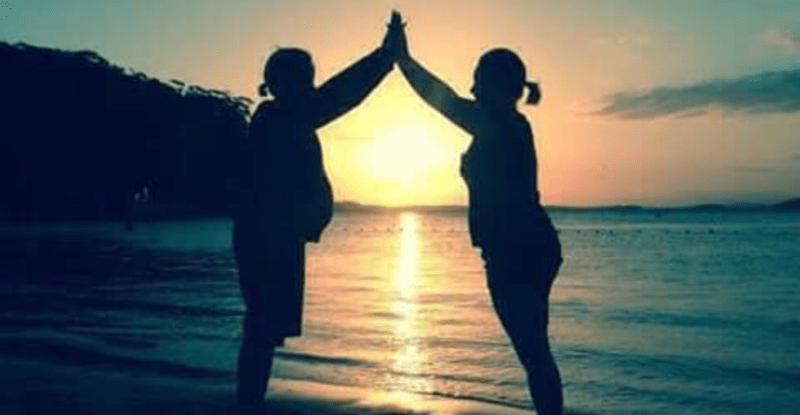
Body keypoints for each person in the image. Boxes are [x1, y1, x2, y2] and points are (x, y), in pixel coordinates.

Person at [388, 12, 564, 415]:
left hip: (517, 251)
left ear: (501, 87)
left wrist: (404, 61)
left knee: (534, 352)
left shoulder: (501, 124)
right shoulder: (505, 124)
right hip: (526, 246)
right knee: (535, 350)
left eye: (479, 79)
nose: (472, 87)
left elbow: (443, 99)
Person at [232, 16, 399, 413]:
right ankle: (248, 406)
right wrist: (384, 57)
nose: (309, 85)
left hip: (277, 237)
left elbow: (332, 96)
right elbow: (340, 96)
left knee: (265, 329)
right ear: (280, 83)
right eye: (304, 78)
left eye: (309, 77)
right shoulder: (279, 118)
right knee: (260, 328)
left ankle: (249, 404)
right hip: (267, 239)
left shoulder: (284, 118)